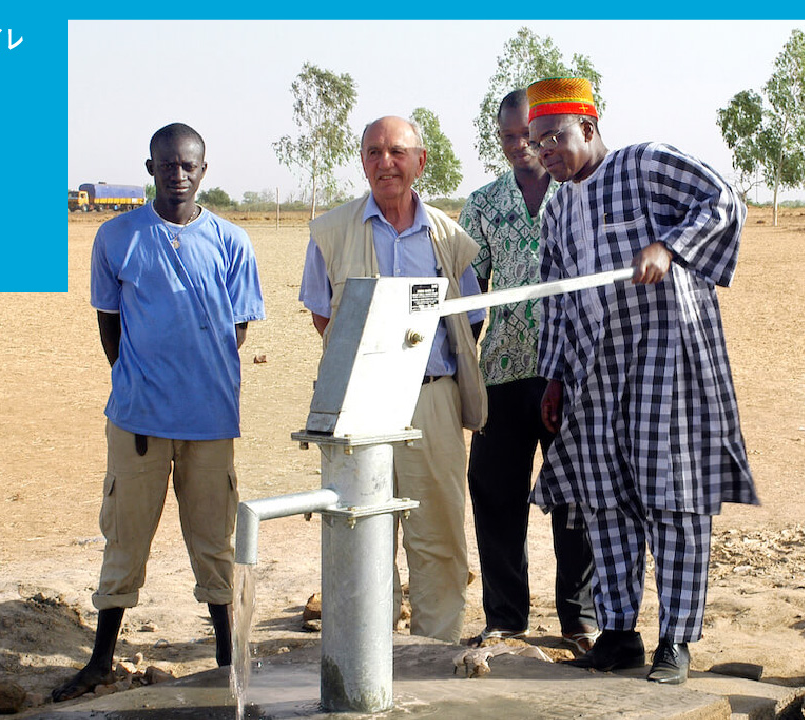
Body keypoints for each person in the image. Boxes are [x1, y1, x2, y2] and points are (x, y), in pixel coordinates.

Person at [524, 77, 758, 685]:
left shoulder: (646, 164)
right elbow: (553, 299)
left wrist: (670, 246)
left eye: (555, 137)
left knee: (675, 499)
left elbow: (725, 200)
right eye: (536, 142)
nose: (546, 151)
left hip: (667, 358)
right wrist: (553, 377)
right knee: (605, 501)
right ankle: (620, 632)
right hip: (592, 371)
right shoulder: (557, 206)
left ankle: (676, 641)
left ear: (590, 129)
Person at [54, 123, 266, 702]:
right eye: (167, 165)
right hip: (138, 424)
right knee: (124, 541)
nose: (178, 174)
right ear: (150, 169)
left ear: (203, 170)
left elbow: (237, 327)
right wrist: (145, 384)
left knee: (214, 546)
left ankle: (227, 661)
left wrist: (194, 374)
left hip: (210, 423)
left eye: (188, 165)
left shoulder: (232, 242)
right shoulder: (116, 236)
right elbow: (110, 325)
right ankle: (101, 661)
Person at [299, 115, 487, 644]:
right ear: (362, 161)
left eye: (397, 152)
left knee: (439, 535)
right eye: (375, 152)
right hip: (359, 408)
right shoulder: (331, 233)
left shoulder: (448, 236)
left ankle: (434, 650)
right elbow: (324, 317)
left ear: (419, 162)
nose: (386, 163)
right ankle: (368, 653)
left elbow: (467, 316)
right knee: (363, 532)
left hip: (434, 403)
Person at [459, 89, 597, 653]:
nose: (521, 148)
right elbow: (469, 295)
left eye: (530, 136)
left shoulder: (585, 195)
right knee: (495, 496)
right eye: (509, 138)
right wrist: (462, 372)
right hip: (503, 374)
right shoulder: (484, 204)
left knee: (575, 499)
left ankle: (579, 619)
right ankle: (506, 617)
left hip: (575, 373)